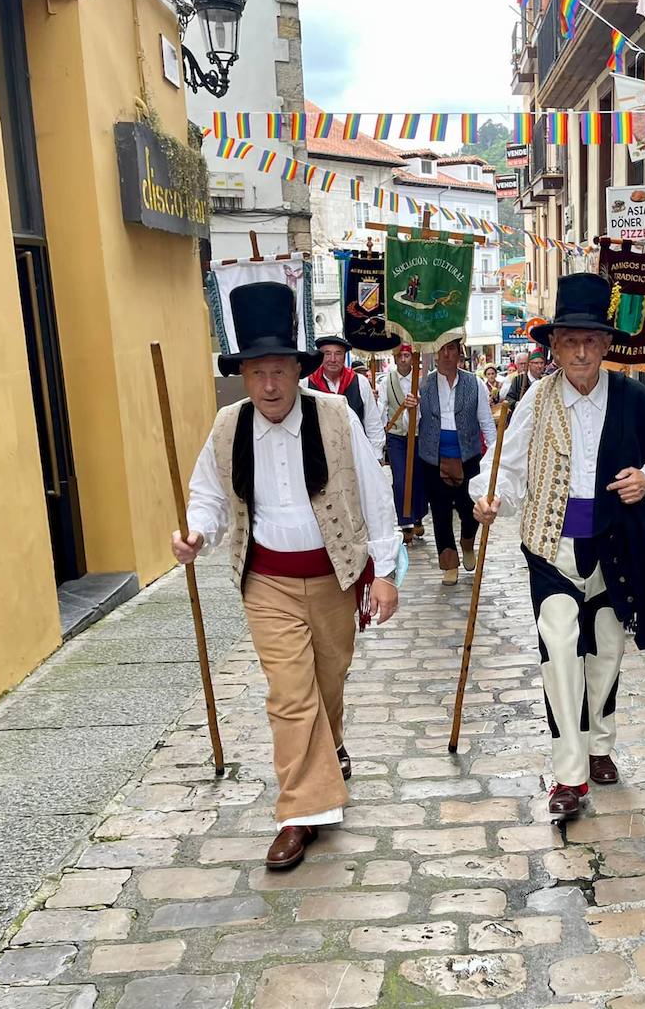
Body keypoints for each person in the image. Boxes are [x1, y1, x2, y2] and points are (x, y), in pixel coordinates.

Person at [172, 282, 399, 869]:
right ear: (243, 376)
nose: (268, 385)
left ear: (297, 371)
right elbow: (207, 497)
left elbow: (374, 498)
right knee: (290, 695)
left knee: (327, 683)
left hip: (334, 577)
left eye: (278, 371)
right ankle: (301, 812)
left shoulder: (335, 416)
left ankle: (332, 747)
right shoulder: (228, 427)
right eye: (256, 373)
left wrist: (386, 572)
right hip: (265, 581)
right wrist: (195, 533)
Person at [472, 274, 645, 815]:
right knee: (561, 648)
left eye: (592, 341)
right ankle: (568, 775)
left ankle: (599, 744)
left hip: (617, 545)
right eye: (570, 340)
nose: (581, 352)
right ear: (554, 346)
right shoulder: (533, 402)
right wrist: (488, 497)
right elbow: (504, 467)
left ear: (607, 345)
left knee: (607, 653)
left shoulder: (636, 401)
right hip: (552, 547)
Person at [414, 336, 497, 585]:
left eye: (451, 349)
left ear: (459, 353)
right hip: (433, 457)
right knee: (440, 513)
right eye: (442, 350)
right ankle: (449, 563)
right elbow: (412, 425)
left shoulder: (474, 383)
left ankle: (468, 542)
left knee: (470, 508)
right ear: (435, 354)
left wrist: (494, 455)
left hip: (468, 455)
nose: (447, 354)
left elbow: (485, 420)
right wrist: (410, 408)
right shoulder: (424, 386)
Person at [306, 331, 384, 460]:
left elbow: (372, 421)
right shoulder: (307, 383)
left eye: (338, 354)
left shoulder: (360, 382)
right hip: (319, 456)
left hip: (355, 453)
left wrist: (376, 456)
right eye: (327, 354)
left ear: (344, 357)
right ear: (320, 356)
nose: (332, 359)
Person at [378, 344, 428, 544]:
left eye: (407, 355)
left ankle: (418, 517)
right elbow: (381, 406)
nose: (404, 359)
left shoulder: (423, 381)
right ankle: (404, 521)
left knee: (419, 478)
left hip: (418, 435)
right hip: (397, 435)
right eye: (400, 355)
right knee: (400, 478)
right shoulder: (386, 382)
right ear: (395, 357)